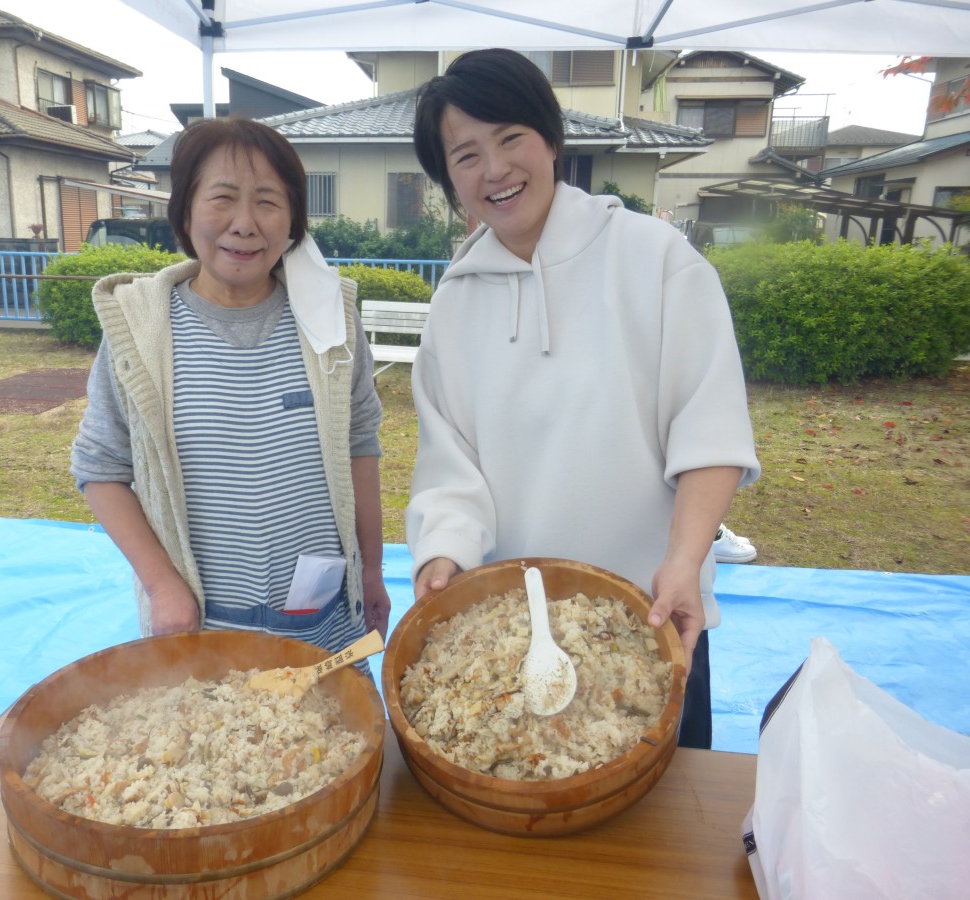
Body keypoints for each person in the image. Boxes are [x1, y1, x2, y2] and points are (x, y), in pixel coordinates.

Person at [406, 49, 760, 749]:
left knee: (666, 810)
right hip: (513, 637)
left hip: (651, 615)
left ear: (551, 140)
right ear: (448, 179)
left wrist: (685, 562)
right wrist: (443, 553)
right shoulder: (455, 303)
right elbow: (450, 462)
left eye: (511, 138)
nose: (495, 170)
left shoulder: (655, 258)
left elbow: (709, 427)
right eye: (466, 156)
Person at [70, 117, 391, 655]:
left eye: (268, 201)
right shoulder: (139, 328)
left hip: (320, 622)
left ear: (293, 221)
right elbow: (100, 467)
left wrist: (373, 571)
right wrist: (162, 586)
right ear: (185, 211)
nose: (244, 224)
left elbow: (360, 446)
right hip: (200, 626)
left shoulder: (330, 321)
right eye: (222, 198)